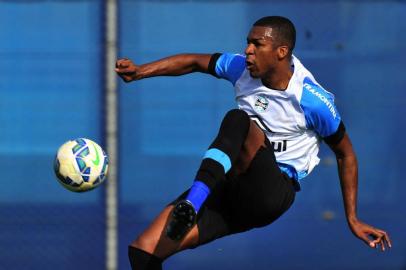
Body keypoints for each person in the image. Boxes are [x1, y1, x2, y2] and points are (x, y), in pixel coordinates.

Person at [116, 16, 391, 270]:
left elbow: (346, 155)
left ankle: (194, 201)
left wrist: (352, 219)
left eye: (257, 44)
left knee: (239, 120)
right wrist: (140, 71)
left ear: (281, 52)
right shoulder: (241, 68)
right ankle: (193, 204)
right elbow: (194, 62)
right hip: (232, 191)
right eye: (247, 42)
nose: (248, 50)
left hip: (271, 192)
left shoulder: (311, 100)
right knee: (143, 251)